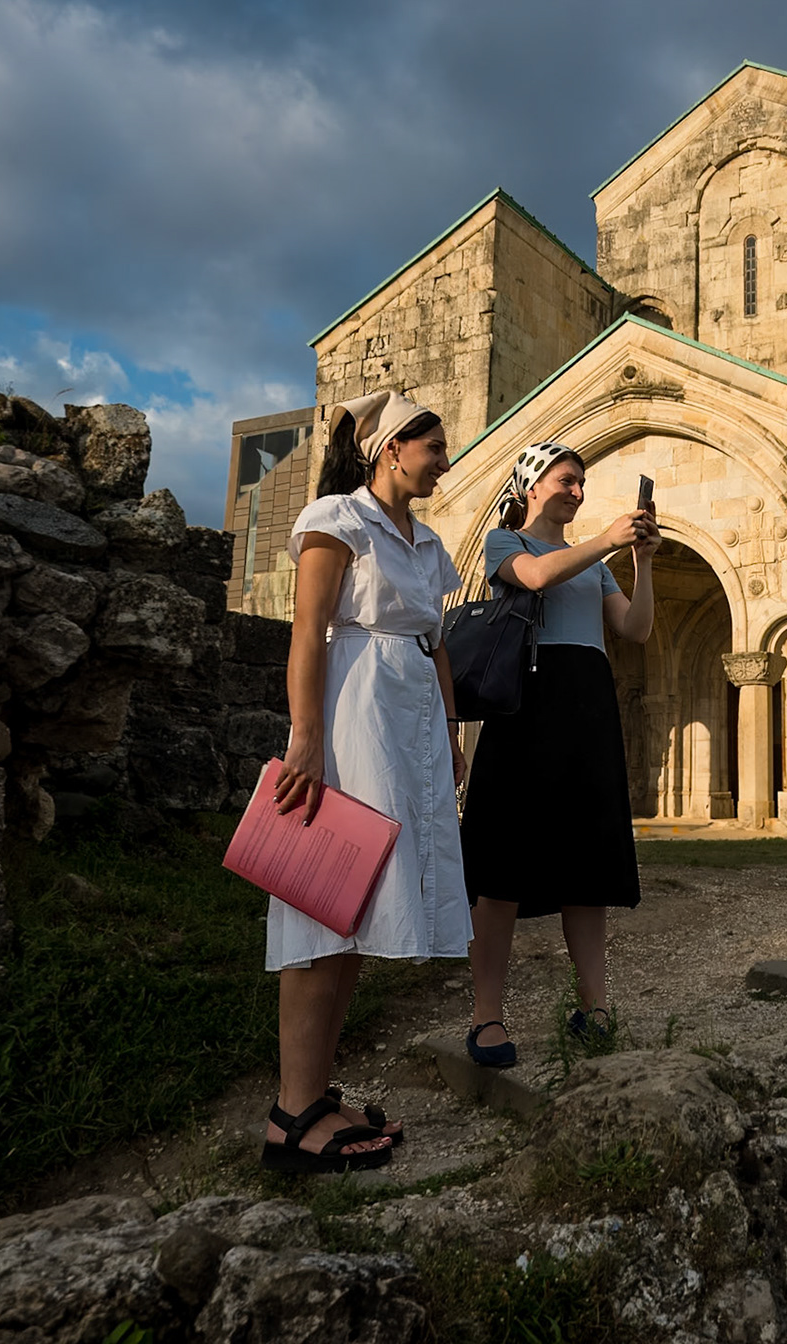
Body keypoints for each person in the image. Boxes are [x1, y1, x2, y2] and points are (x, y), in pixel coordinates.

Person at [262, 390, 471, 1172]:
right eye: (435, 447)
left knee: (358, 902)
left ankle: (314, 1097)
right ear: (391, 450)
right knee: (324, 900)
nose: (444, 461)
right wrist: (307, 738)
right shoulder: (336, 520)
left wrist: (452, 732)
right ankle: (291, 1116)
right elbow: (308, 630)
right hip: (354, 718)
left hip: (409, 722)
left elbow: (437, 642)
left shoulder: (426, 541)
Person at [457, 440, 657, 1066]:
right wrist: (604, 537)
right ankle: (487, 1016)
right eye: (567, 480)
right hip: (528, 706)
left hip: (586, 706)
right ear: (532, 485)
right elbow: (538, 578)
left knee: (587, 863)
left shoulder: (596, 563)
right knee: (502, 865)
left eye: (581, 483)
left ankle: (594, 1007)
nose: (576, 490)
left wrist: (642, 561)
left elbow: (635, 629)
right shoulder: (505, 543)